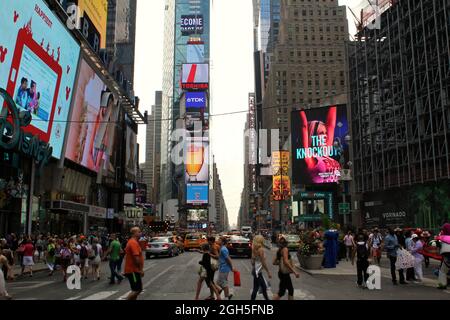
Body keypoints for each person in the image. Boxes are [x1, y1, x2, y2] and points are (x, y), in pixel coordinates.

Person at [299, 107, 341, 183]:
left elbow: (331, 125)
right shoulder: (310, 157)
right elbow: (304, 127)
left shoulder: (326, 153)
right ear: (312, 135)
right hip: (318, 190)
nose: (326, 136)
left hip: (336, 189)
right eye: (321, 133)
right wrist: (300, 111)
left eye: (326, 133)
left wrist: (334, 101)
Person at [124, 227, 144, 300]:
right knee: (137, 290)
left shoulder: (133, 242)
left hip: (134, 270)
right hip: (133, 271)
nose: (140, 233)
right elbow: (136, 258)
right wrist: (140, 270)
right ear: (134, 233)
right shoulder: (133, 243)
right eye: (139, 232)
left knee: (137, 289)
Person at [251, 235, 272, 300]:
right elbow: (263, 262)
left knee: (263, 287)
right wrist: (268, 272)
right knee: (257, 288)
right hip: (257, 271)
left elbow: (252, 262)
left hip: (255, 270)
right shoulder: (261, 250)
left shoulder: (254, 249)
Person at [436, 223, 450, 289]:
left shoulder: (443, 237)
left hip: (447, 257)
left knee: (443, 271)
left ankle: (442, 284)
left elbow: (438, 247)